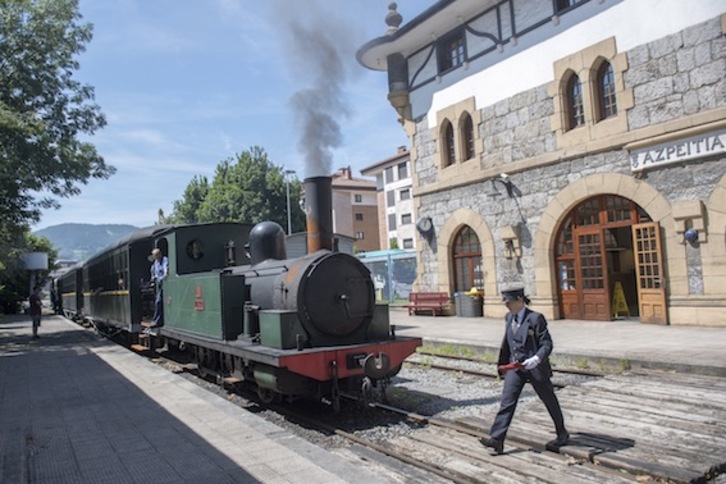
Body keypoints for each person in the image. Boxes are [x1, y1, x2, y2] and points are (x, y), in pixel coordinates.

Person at [480, 287, 569, 454]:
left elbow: (547, 344)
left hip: (535, 367)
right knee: (507, 401)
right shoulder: (509, 318)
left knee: (548, 399)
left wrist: (536, 359)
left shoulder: (535, 318)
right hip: (516, 367)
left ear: (519, 300)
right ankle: (497, 439)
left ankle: (562, 432)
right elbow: (508, 342)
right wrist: (504, 364)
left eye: (510, 302)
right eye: (505, 303)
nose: (507, 306)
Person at [149, 248, 168, 328]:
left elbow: (165, 269)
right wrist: (153, 277)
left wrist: (165, 274)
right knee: (156, 302)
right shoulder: (155, 263)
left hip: (164, 284)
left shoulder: (164, 260)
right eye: (155, 255)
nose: (157, 257)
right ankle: (155, 319)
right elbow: (153, 272)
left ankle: (156, 321)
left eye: (158, 255)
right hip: (158, 285)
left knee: (158, 302)